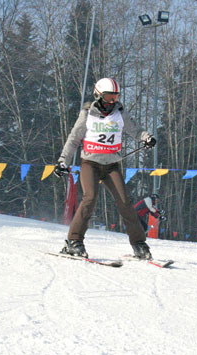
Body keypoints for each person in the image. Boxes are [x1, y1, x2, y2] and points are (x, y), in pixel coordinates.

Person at [54, 77, 156, 259]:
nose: (113, 102)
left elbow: (136, 131)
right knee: (90, 198)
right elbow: (73, 139)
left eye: (116, 98)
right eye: (109, 97)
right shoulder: (87, 114)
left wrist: (146, 137)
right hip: (90, 164)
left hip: (112, 166)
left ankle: (139, 244)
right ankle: (74, 241)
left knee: (125, 202)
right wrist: (63, 162)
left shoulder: (120, 113)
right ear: (98, 95)